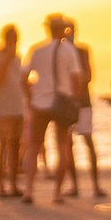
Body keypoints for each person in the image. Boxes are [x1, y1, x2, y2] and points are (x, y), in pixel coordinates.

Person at [22, 16, 79, 204]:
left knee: (34, 147)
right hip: (61, 103)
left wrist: (30, 99)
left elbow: (23, 78)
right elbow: (77, 79)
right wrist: (73, 99)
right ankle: (57, 192)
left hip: (40, 104)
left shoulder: (36, 50)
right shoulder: (69, 50)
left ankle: (29, 190)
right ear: (62, 30)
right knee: (62, 148)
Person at [64, 21, 105, 198]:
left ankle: (96, 185)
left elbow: (88, 76)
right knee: (67, 145)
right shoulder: (61, 52)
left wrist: (75, 82)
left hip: (83, 103)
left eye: (71, 30)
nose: (69, 33)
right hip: (66, 104)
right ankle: (74, 186)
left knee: (88, 141)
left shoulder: (82, 50)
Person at [0, 24, 24, 198]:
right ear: (5, 38)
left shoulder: (18, 57)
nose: (15, 41)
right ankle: (0, 186)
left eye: (16, 38)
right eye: (12, 37)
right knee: (2, 144)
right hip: (3, 108)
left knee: (15, 146)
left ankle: (14, 185)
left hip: (18, 107)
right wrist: (7, 57)